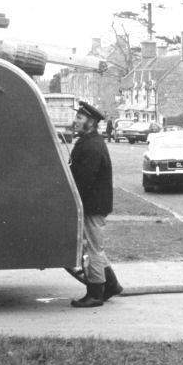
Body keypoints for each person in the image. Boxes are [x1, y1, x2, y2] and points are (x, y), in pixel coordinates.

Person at [69, 101, 123, 308]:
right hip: (94, 204)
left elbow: (83, 181)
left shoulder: (91, 146)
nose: (75, 121)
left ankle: (95, 293)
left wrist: (72, 202)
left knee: (94, 250)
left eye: (80, 119)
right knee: (95, 247)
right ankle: (112, 285)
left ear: (90, 123)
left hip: (93, 206)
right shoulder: (89, 142)